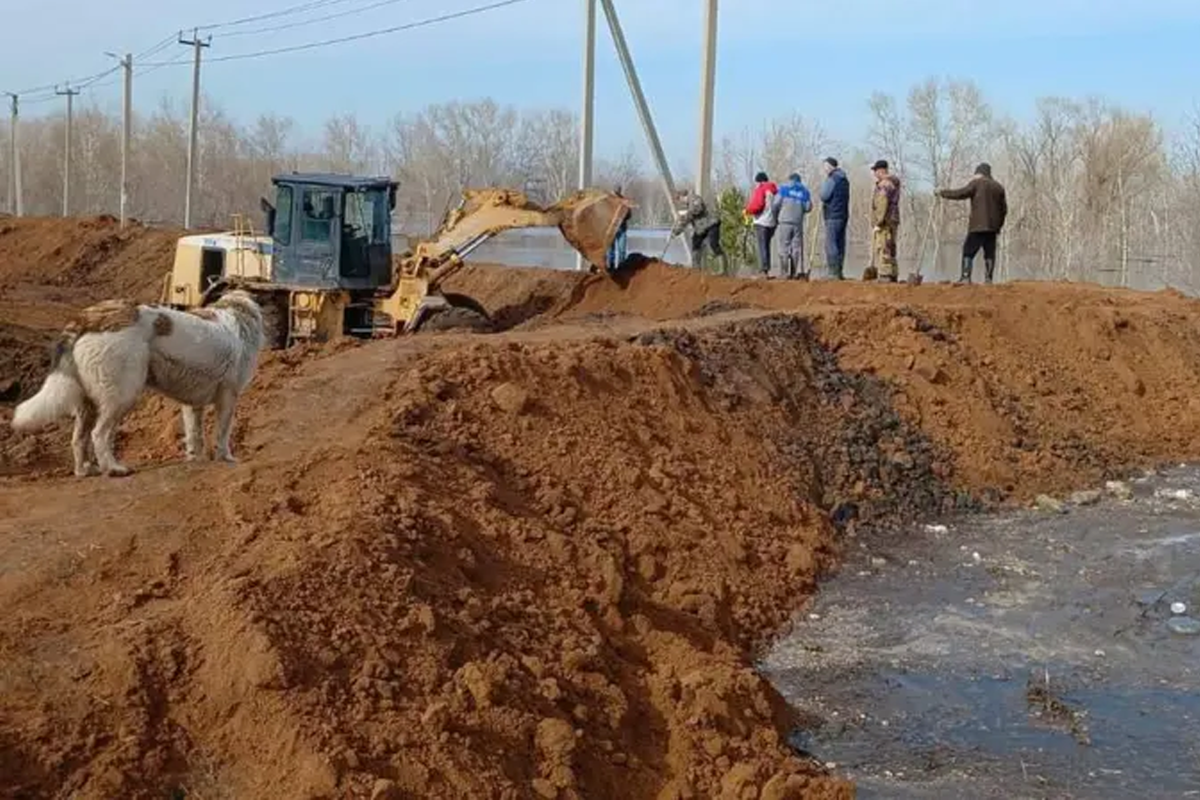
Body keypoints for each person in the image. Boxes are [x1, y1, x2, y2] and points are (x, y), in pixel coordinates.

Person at [936, 163, 1008, 284]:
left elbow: (961, 193)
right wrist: (998, 226)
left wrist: (942, 193)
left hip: (978, 226)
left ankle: (965, 277)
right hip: (992, 228)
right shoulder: (999, 187)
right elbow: (1004, 210)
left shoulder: (977, 183)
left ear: (979, 173)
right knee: (989, 253)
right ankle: (988, 279)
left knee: (968, 250)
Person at [672, 189, 729, 274]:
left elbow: (697, 209)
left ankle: (723, 270)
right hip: (701, 228)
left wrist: (685, 216)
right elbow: (688, 219)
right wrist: (677, 231)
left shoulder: (695, 199)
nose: (681, 202)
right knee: (695, 244)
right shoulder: (688, 204)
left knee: (713, 244)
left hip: (711, 224)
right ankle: (696, 269)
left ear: (682, 196)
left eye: (679, 200)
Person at [773, 172, 813, 280]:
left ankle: (784, 273)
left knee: (784, 247)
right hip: (797, 223)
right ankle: (794, 273)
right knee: (796, 248)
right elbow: (809, 207)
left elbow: (775, 204)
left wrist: (775, 216)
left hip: (784, 222)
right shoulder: (804, 191)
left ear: (789, 179)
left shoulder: (784, 189)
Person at [870, 159, 901, 283]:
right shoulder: (894, 182)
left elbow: (882, 203)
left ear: (881, 170)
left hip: (886, 220)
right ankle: (893, 273)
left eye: (875, 171)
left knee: (884, 246)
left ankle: (885, 274)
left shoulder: (884, 184)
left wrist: (878, 222)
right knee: (891, 246)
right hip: (893, 218)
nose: (874, 174)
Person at [819, 157, 850, 280]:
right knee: (840, 243)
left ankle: (832, 273)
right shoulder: (845, 180)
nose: (824, 169)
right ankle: (839, 271)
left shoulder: (832, 179)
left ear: (830, 166)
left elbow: (824, 195)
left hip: (832, 215)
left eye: (825, 166)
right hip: (843, 215)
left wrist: (821, 190)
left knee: (831, 243)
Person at [744, 171, 779, 277]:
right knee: (766, 246)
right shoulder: (774, 191)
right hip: (771, 222)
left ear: (759, 181)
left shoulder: (761, 189)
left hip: (761, 222)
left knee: (761, 246)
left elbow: (757, 205)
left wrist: (747, 210)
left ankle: (764, 270)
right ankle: (766, 269)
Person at [606, 184, 631, 273]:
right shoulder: (608, 201)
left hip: (621, 229)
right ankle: (611, 267)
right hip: (611, 229)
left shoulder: (624, 201)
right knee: (610, 251)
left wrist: (624, 214)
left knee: (622, 250)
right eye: (615, 191)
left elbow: (629, 215)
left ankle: (621, 268)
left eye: (617, 191)